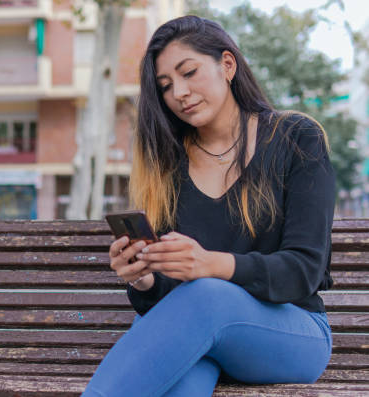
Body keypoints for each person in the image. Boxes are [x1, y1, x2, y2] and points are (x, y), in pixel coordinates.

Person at [81, 15, 335, 397]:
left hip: (294, 333)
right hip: (208, 334)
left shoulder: (297, 138)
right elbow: (171, 299)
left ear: (227, 65)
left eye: (189, 72)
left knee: (206, 295)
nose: (179, 92)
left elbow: (305, 269)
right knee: (184, 376)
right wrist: (144, 277)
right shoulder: (168, 166)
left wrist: (211, 264)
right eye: (166, 86)